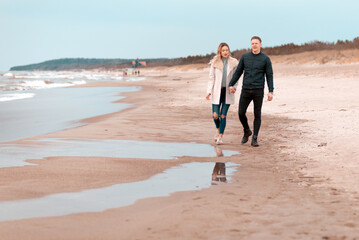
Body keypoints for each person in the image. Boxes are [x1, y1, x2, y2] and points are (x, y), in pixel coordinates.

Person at [228, 36, 274, 147]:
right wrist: (231, 84)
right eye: (252, 43)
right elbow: (238, 72)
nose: (254, 45)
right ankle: (247, 130)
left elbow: (269, 75)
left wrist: (270, 91)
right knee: (240, 112)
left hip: (258, 90)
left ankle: (254, 138)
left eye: (256, 43)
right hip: (246, 89)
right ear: (251, 44)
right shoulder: (245, 57)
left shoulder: (265, 59)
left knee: (257, 114)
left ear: (260, 45)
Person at [206, 42, 239, 145]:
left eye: (227, 50)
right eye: (223, 50)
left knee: (223, 115)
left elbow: (236, 78)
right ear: (220, 51)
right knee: (215, 115)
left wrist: (234, 87)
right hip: (217, 91)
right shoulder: (214, 62)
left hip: (227, 91)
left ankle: (220, 136)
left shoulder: (234, 62)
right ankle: (218, 129)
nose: (225, 52)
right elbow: (211, 78)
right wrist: (208, 92)